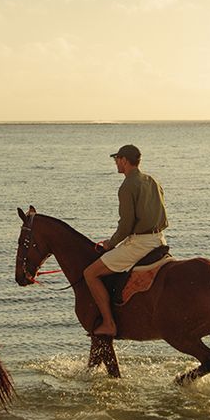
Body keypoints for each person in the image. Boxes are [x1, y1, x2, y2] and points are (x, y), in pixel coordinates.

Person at [83, 144, 168, 336]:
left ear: (124, 160)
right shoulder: (152, 180)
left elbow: (126, 224)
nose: (116, 163)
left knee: (90, 273)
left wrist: (110, 244)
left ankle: (108, 323)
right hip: (159, 240)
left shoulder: (127, 186)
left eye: (117, 159)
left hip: (140, 244)